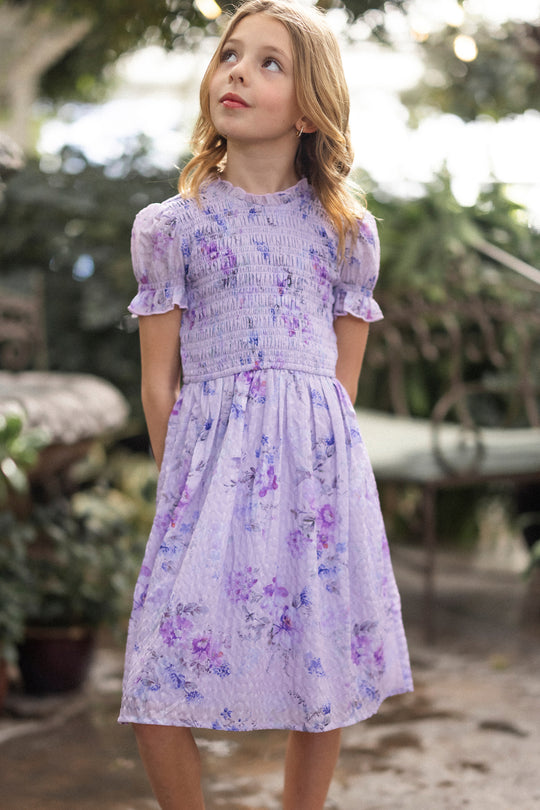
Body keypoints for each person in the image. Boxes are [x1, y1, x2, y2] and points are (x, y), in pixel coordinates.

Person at [119, 1, 413, 808]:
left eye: (268, 62)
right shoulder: (170, 228)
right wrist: (180, 483)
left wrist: (325, 478)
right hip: (205, 471)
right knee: (154, 674)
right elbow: (157, 383)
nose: (237, 71)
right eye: (229, 55)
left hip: (318, 480)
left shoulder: (345, 232)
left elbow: (340, 386)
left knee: (319, 661)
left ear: (311, 107)